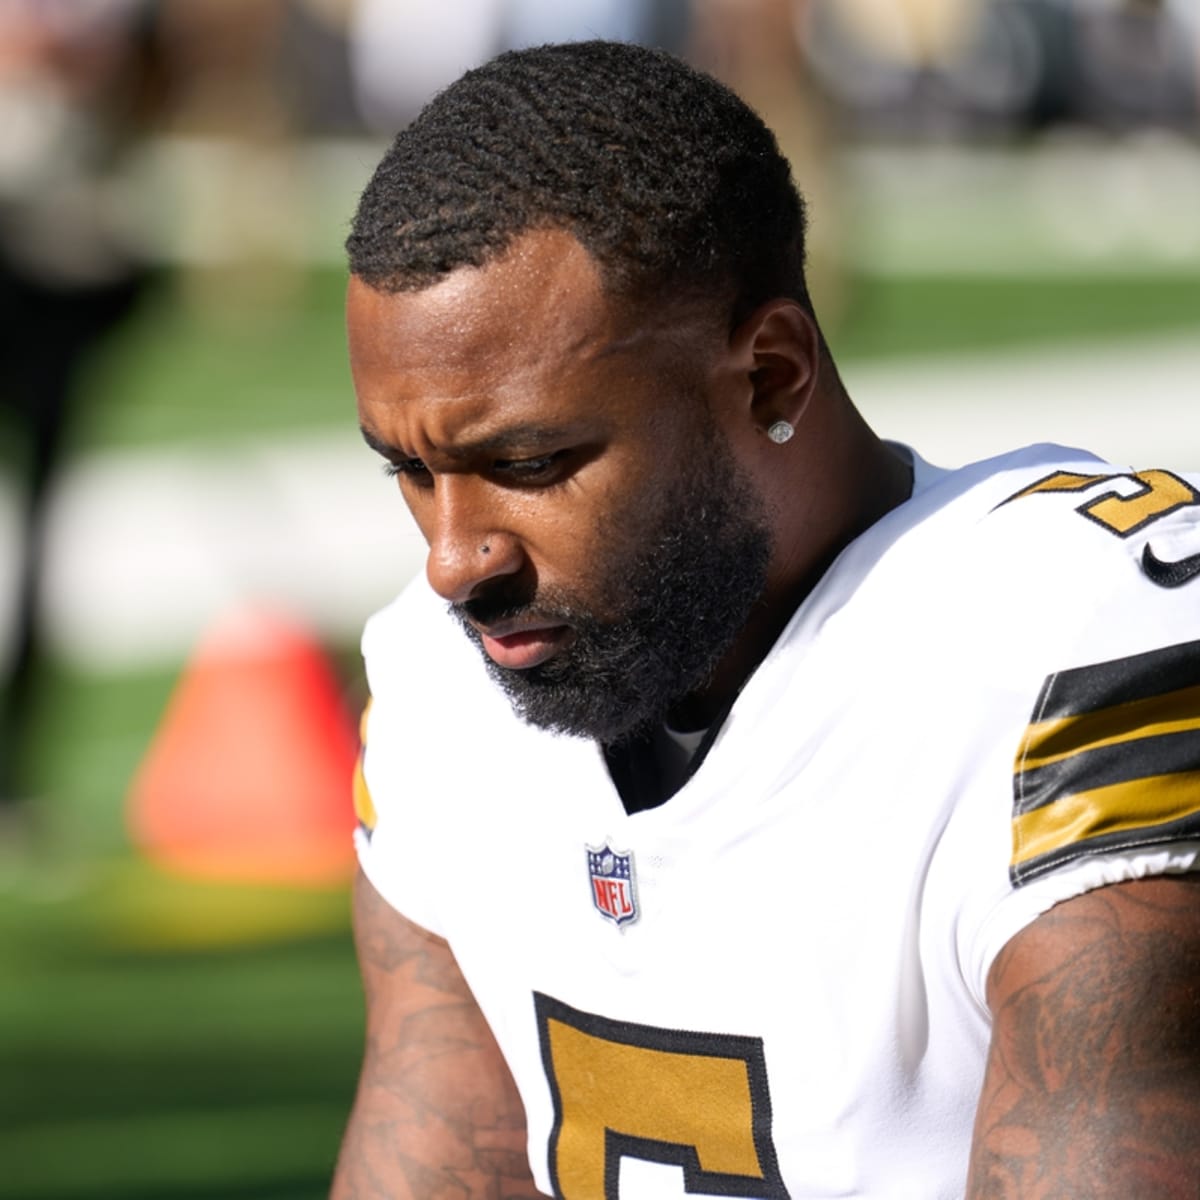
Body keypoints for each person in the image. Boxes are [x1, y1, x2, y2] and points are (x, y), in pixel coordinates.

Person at [333, 40, 1200, 1199]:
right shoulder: (440, 686)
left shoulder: (1055, 650)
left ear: (773, 375)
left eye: (529, 461)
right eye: (409, 469)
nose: (453, 559)